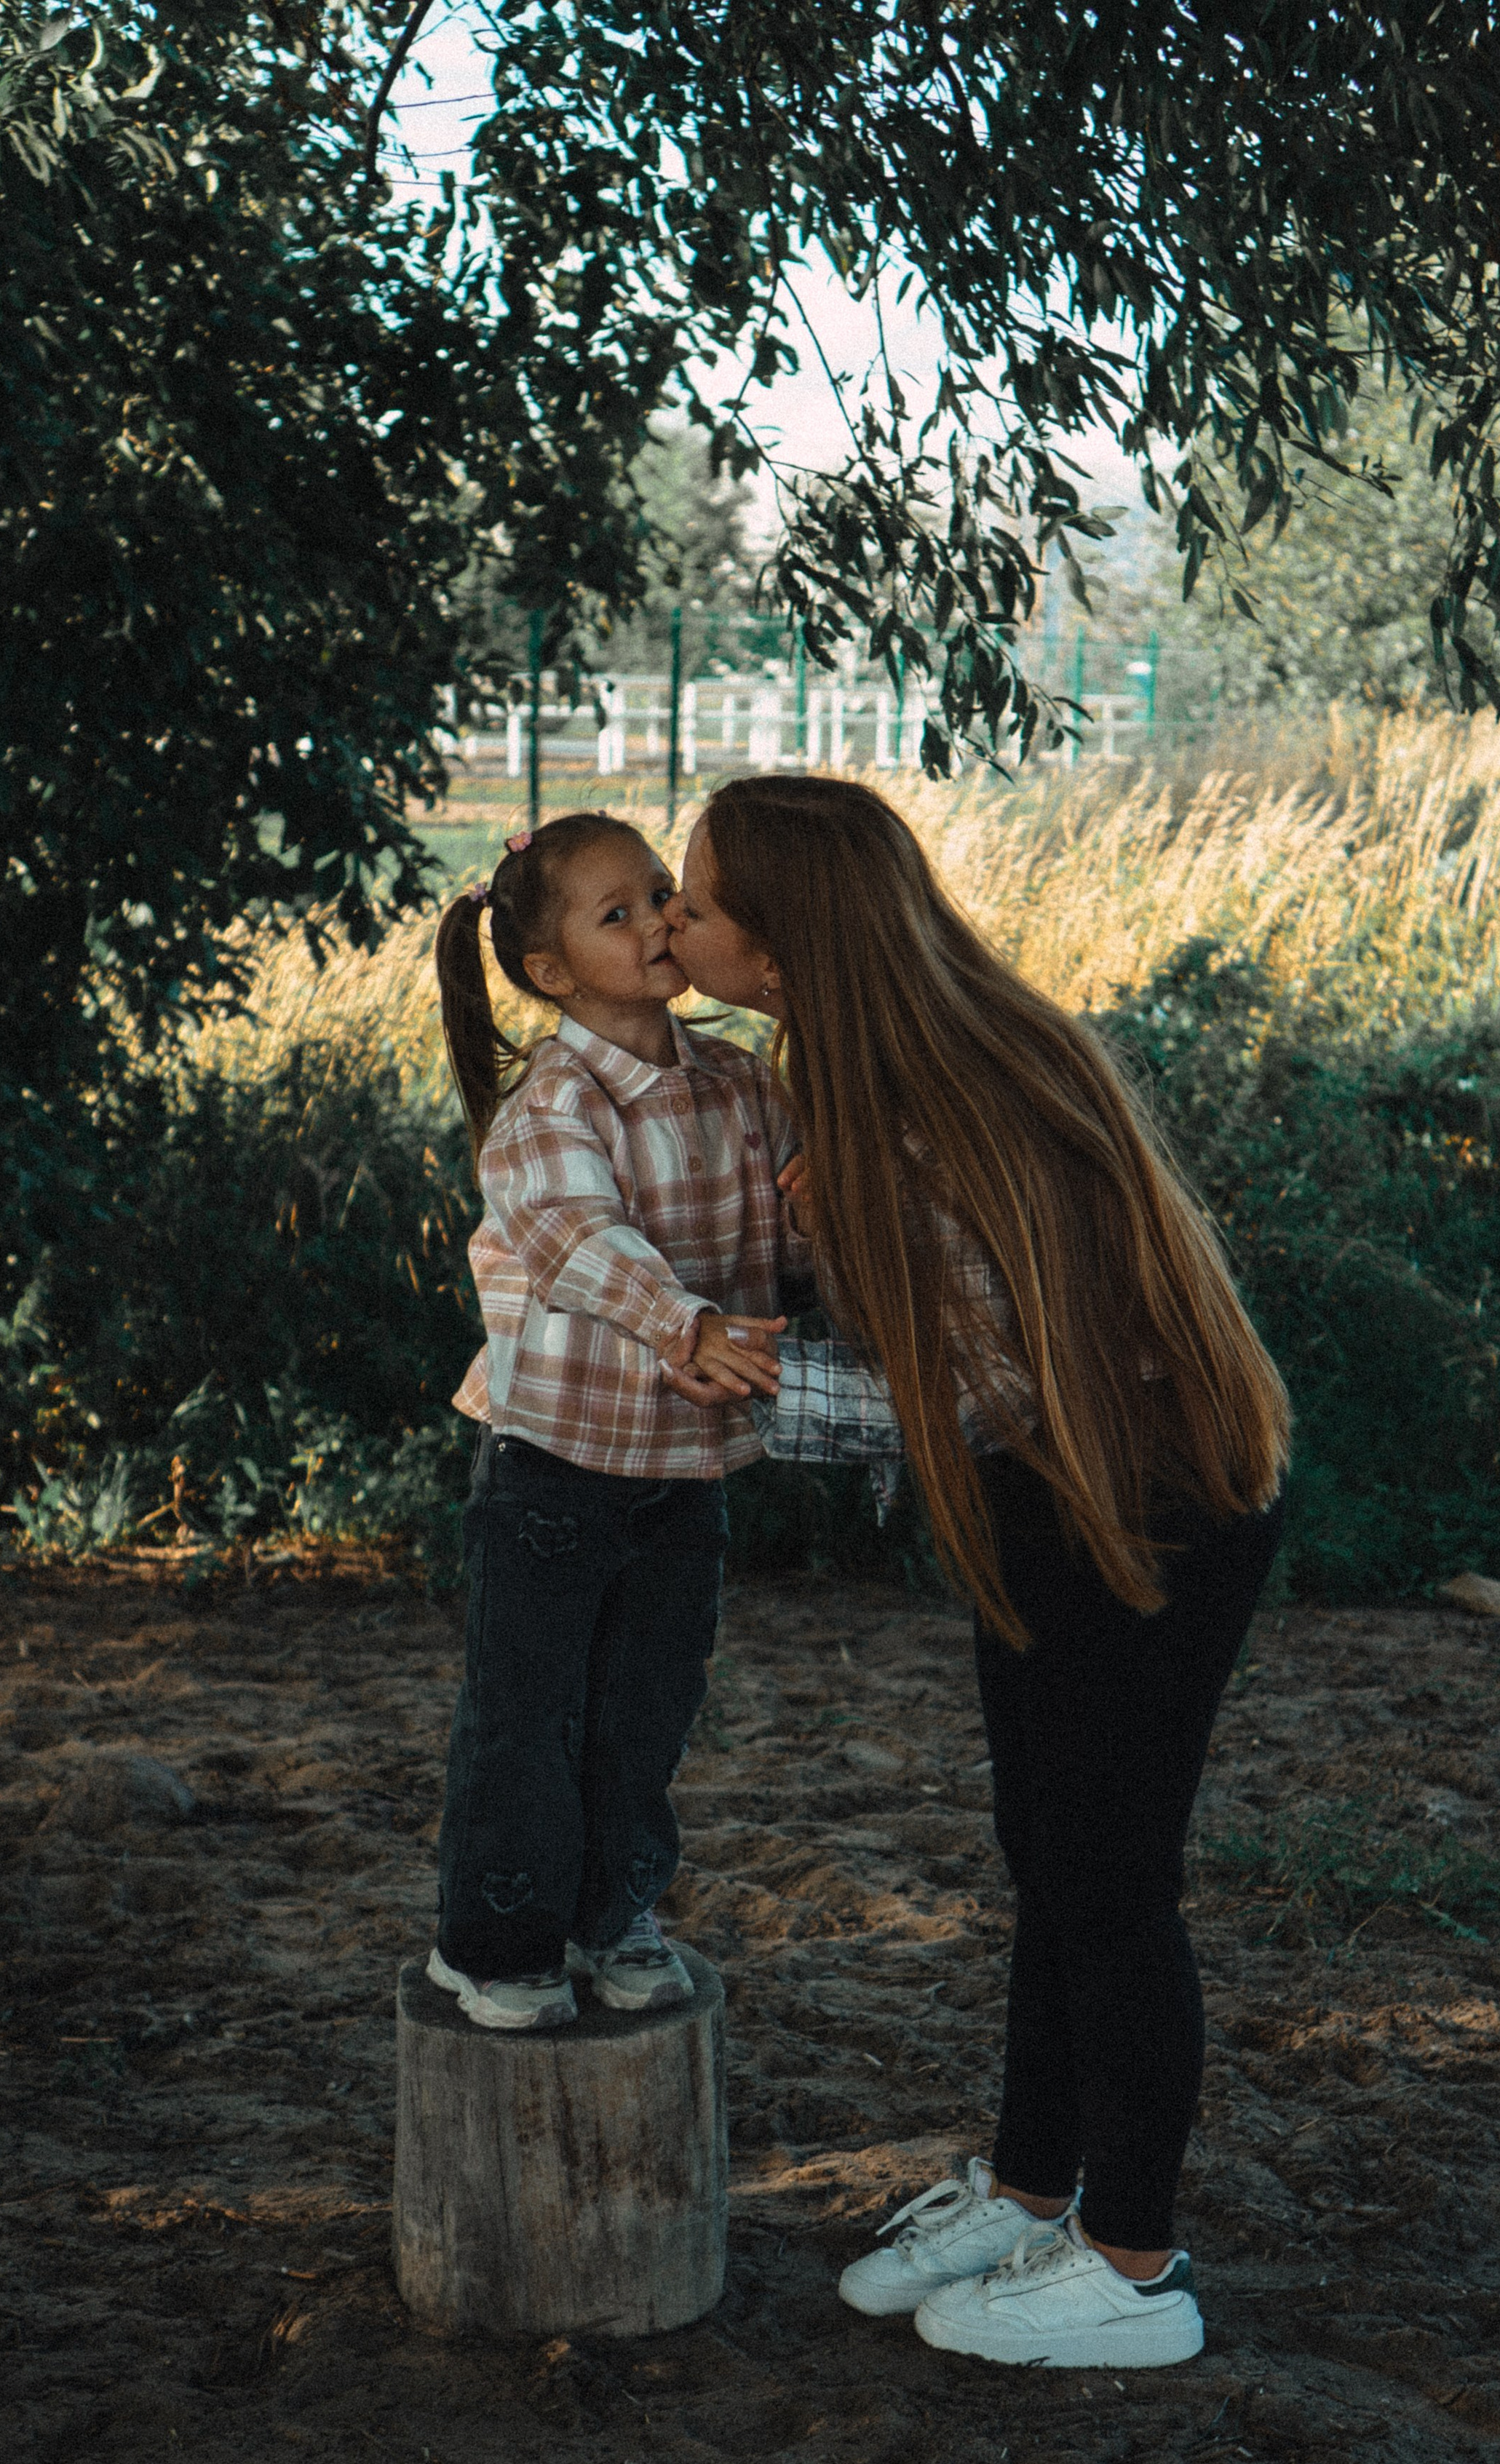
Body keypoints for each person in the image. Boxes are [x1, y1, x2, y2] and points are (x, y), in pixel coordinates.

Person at [665, 775, 1289, 2371]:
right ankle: (1031, 2189)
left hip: (1144, 1500)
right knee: (1046, 1848)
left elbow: (973, 1394)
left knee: (1107, 1874)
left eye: (696, 901)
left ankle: (1133, 2265)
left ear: (789, 943)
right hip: (1052, 1492)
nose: (673, 925)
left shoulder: (932, 1111)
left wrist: (737, 1380)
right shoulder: (880, 1067)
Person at [427, 810, 803, 2032]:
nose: (659, 922)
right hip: (554, 1466)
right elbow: (580, 1237)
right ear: (550, 972)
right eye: (620, 913)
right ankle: (494, 1944)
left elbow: (794, 1228)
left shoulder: (740, 1079)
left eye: (661, 894)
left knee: (647, 1708)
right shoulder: (554, 1105)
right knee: (527, 1716)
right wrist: (686, 1324)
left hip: (684, 1469)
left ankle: (614, 1916)